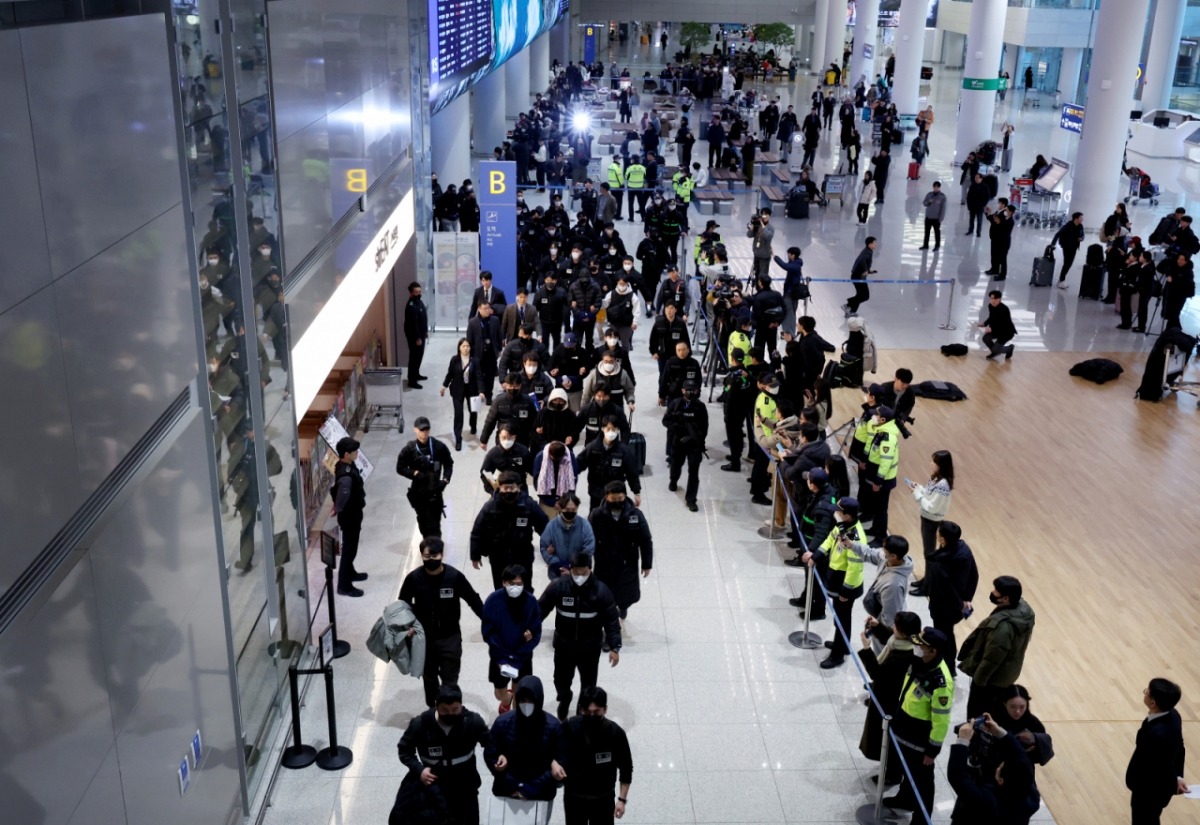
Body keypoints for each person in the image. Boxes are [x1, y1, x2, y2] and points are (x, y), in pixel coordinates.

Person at [399, 539, 485, 707]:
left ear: (442, 555)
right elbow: (403, 605)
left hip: (450, 637)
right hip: (424, 639)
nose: (431, 559)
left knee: (450, 680)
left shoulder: (454, 577)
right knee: (429, 679)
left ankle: (451, 712)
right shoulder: (414, 579)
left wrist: (489, 622)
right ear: (422, 556)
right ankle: (433, 712)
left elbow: (473, 599)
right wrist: (406, 626)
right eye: (427, 556)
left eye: (435, 555)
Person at [538, 553, 621, 721]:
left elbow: (611, 619)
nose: (580, 576)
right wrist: (529, 629)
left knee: (588, 686)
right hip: (564, 645)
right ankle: (565, 698)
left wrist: (614, 647)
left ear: (590, 570)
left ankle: (580, 713)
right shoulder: (559, 586)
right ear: (571, 569)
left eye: (584, 573)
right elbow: (540, 609)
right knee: (560, 680)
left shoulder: (600, 591)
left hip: (589, 648)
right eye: (576, 572)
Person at [883, 627, 955, 815]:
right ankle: (906, 799)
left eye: (920, 645)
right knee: (908, 772)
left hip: (919, 741)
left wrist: (932, 750)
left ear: (933, 651)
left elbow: (941, 721)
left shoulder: (941, 682)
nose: (916, 646)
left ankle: (922, 820)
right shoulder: (919, 661)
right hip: (904, 728)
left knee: (923, 783)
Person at [397, 684, 492, 825]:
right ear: (436, 705)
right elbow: (404, 750)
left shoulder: (473, 723)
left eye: (455, 709)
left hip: (465, 786)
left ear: (461, 705)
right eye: (445, 710)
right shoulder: (420, 725)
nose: (450, 714)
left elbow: (491, 744)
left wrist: (499, 755)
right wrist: (419, 770)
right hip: (434, 787)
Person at [958, 576, 1036, 719]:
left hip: (991, 679)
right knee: (993, 709)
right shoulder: (1025, 611)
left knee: (977, 712)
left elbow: (991, 660)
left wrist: (978, 682)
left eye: (996, 591)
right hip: (1008, 672)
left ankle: (973, 735)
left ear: (1005, 598)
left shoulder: (1002, 629)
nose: (993, 592)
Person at [860, 611, 923, 786]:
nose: (892, 627)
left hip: (890, 701)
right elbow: (891, 637)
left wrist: (866, 649)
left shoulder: (900, 658)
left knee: (890, 736)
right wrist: (877, 626)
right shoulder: (911, 642)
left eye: (895, 625)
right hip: (894, 695)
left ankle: (893, 774)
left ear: (903, 631)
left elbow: (876, 673)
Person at [803, 497, 866, 668]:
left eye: (838, 511)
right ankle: (843, 645)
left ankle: (838, 655)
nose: (834, 513)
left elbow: (854, 568)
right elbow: (830, 540)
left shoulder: (856, 538)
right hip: (837, 577)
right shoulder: (841, 526)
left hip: (846, 583)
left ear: (847, 515)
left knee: (841, 619)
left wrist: (845, 591)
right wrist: (816, 556)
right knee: (841, 617)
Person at [947, 715, 1041, 825]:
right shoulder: (1031, 798)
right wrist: (999, 731)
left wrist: (962, 741)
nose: (999, 766)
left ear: (1001, 780)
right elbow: (1022, 758)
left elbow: (958, 777)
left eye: (1001, 767)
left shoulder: (987, 802)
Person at [484, 675, 567, 800]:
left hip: (540, 793)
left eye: (530, 700)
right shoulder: (502, 722)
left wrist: (529, 789)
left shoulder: (553, 727)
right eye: (522, 700)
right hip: (508, 791)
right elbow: (491, 755)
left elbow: (561, 760)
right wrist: (515, 786)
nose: (526, 704)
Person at [563, 686, 634, 825]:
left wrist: (622, 800)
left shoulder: (615, 733)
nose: (591, 716)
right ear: (580, 709)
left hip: (603, 800)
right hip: (574, 799)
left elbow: (626, 767)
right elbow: (553, 752)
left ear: (605, 709)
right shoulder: (569, 727)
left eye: (597, 712)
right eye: (587, 712)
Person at [471, 472, 550, 591]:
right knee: (500, 587)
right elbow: (477, 531)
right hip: (498, 555)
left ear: (518, 488)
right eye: (505, 488)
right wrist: (475, 555)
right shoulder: (490, 506)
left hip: (523, 554)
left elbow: (544, 526)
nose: (509, 491)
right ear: (499, 488)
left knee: (525, 587)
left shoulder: (529, 505)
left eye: (512, 487)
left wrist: (550, 544)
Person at [1127, 678, 1188, 825]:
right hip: (1154, 789)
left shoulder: (1157, 735)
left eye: (1147, 692)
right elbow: (1180, 746)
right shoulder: (1173, 715)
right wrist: (1178, 777)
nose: (1145, 692)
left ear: (1153, 703)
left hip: (1148, 792)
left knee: (1146, 820)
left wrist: (1173, 783)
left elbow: (1163, 767)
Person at [481, 568, 544, 712]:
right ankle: (506, 699)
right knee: (499, 693)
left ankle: (514, 720)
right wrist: (501, 658)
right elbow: (488, 631)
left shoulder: (531, 601)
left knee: (520, 693)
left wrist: (528, 639)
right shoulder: (492, 601)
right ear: (503, 582)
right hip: (499, 658)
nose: (515, 587)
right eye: (511, 583)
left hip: (523, 657)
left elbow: (535, 631)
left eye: (519, 583)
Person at [588, 481, 653, 620]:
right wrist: (586, 563)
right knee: (603, 592)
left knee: (625, 591)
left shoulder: (635, 515)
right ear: (607, 497)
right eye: (614, 499)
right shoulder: (597, 515)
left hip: (627, 562)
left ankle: (623, 607)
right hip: (604, 561)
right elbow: (588, 540)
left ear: (625, 496)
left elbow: (645, 540)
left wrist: (647, 564)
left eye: (620, 498)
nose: (617, 502)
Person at [395, 417, 454, 539]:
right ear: (415, 430)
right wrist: (414, 473)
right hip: (419, 492)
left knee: (434, 526)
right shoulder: (409, 449)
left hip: (435, 491)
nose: (424, 432)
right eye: (421, 429)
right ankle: (428, 547)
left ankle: (434, 553)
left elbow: (448, 463)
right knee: (423, 524)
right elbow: (400, 467)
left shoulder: (439, 446)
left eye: (427, 429)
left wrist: (445, 480)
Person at [856, 535, 914, 652]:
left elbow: (890, 617)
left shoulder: (894, 585)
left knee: (882, 652)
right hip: (881, 611)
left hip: (885, 623)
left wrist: (878, 628)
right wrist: (851, 545)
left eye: (884, 550)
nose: (881, 552)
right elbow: (870, 553)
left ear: (893, 556)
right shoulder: (891, 560)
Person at [577, 418, 642, 510]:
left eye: (614, 429)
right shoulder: (593, 447)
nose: (611, 432)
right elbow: (579, 463)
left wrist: (636, 492)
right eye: (608, 429)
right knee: (595, 519)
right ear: (603, 428)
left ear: (618, 429)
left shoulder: (623, 450)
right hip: (596, 492)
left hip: (616, 494)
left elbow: (632, 472)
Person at [663, 379, 708, 512]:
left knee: (693, 472)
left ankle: (691, 499)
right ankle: (673, 480)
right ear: (682, 390)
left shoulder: (700, 406)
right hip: (679, 441)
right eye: (687, 389)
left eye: (693, 390)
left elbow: (705, 426)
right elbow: (665, 420)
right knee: (676, 465)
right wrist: (676, 427)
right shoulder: (675, 404)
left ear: (696, 391)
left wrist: (699, 438)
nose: (690, 392)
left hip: (694, 444)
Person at [992, 685, 1055, 777]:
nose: (1017, 711)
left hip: (1022, 769)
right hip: (994, 767)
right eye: (1013, 707)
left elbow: (1041, 751)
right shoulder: (993, 720)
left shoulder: (1034, 724)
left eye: (1022, 707)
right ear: (1005, 703)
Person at [331, 437, 367, 597]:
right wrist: (337, 508)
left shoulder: (344, 465)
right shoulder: (346, 476)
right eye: (355, 451)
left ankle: (350, 572)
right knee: (349, 550)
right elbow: (342, 496)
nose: (357, 453)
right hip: (350, 515)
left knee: (352, 546)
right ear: (346, 454)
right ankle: (344, 586)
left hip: (353, 512)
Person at [862, 406, 900, 543]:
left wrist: (878, 482)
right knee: (877, 506)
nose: (874, 417)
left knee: (881, 508)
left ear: (883, 420)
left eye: (877, 416)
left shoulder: (887, 437)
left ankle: (881, 536)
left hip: (883, 479)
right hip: (877, 475)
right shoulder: (882, 431)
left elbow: (886, 462)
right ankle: (875, 528)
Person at [907, 450, 954, 560]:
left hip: (931, 520)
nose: (931, 463)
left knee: (929, 552)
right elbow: (929, 495)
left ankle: (930, 576)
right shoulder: (936, 478)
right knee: (928, 550)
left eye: (935, 462)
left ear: (942, 465)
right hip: (927, 518)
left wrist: (916, 493)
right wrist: (918, 488)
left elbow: (932, 507)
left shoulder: (943, 485)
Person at [540, 493, 595, 581]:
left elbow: (589, 549)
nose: (570, 512)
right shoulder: (551, 526)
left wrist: (573, 568)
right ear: (561, 508)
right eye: (567, 509)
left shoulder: (585, 525)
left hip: (579, 574)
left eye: (573, 509)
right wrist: (559, 565)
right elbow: (544, 547)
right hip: (556, 573)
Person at [441, 338, 482, 449]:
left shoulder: (475, 360)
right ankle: (458, 439)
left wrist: (481, 391)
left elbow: (478, 376)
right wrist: (444, 386)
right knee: (458, 415)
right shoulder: (454, 360)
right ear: (459, 347)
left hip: (472, 390)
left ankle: (473, 426)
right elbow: (450, 374)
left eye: (467, 346)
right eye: (463, 346)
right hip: (457, 390)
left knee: (473, 410)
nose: (465, 348)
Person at [480, 373, 538, 448]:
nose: (513, 389)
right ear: (506, 386)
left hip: (522, 439)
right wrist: (484, 440)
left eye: (515, 386)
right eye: (510, 386)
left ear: (520, 386)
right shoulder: (498, 401)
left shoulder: (528, 401)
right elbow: (490, 421)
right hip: (503, 438)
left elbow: (534, 421)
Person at [467, 301, 504, 403]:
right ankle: (480, 392)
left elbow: (498, 336)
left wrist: (499, 349)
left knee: (490, 375)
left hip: (491, 352)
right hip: (478, 353)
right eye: (485, 309)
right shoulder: (473, 322)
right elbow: (469, 340)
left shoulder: (495, 320)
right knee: (478, 374)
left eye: (488, 308)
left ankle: (488, 395)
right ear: (479, 309)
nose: (487, 310)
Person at [480, 424, 533, 495]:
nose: (507, 440)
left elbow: (533, 469)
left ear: (515, 437)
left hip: (520, 489)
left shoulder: (523, 451)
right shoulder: (492, 454)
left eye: (510, 437)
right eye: (504, 437)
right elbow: (484, 473)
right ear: (499, 436)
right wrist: (492, 491)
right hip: (500, 490)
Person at [977, 290, 1016, 361]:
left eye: (995, 299)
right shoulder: (990, 306)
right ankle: (995, 351)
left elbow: (1004, 324)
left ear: (999, 299)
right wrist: (985, 324)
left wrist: (992, 329)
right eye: (991, 298)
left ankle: (1009, 349)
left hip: (1006, 332)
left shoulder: (1004, 309)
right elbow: (991, 317)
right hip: (996, 330)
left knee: (996, 349)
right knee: (985, 338)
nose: (993, 301)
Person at [404, 281, 429, 387]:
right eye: (416, 292)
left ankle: (416, 374)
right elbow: (413, 324)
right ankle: (412, 380)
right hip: (415, 336)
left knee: (419, 356)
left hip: (421, 334)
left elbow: (423, 317)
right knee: (414, 357)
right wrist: (418, 338)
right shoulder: (411, 306)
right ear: (411, 293)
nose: (419, 293)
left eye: (420, 291)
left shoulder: (419, 302)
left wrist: (425, 331)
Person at [845, 236, 877, 316]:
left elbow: (862, 262)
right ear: (870, 244)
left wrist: (869, 271)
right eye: (874, 243)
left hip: (857, 276)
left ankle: (851, 311)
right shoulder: (867, 252)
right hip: (858, 277)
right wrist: (866, 270)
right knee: (865, 296)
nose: (876, 245)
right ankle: (848, 305)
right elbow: (862, 260)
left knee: (860, 295)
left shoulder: (867, 251)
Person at [1053, 212, 1085, 289]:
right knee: (1067, 263)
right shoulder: (1068, 226)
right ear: (1076, 218)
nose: (1082, 219)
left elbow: (1082, 234)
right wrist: (1053, 244)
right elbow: (1058, 234)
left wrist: (1081, 238)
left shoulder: (1080, 226)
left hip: (1074, 247)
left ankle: (1061, 280)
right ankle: (1061, 280)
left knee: (1069, 264)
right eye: (1081, 218)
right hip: (1067, 246)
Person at [985, 203, 1016, 279]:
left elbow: (1004, 231)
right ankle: (996, 271)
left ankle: (1003, 275)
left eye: (1007, 210)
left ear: (1010, 212)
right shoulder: (1006, 219)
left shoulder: (1010, 221)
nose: (1005, 211)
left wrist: (999, 224)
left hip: (1004, 242)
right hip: (1001, 241)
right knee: (999, 257)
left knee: (1003, 259)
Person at [919, 182, 946, 250]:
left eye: (937, 187)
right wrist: (929, 202)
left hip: (936, 218)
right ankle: (925, 245)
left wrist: (941, 218)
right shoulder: (929, 195)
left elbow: (943, 208)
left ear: (939, 187)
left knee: (937, 232)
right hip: (928, 217)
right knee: (927, 232)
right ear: (933, 187)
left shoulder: (942, 197)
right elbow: (924, 203)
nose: (936, 188)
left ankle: (937, 246)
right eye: (935, 187)